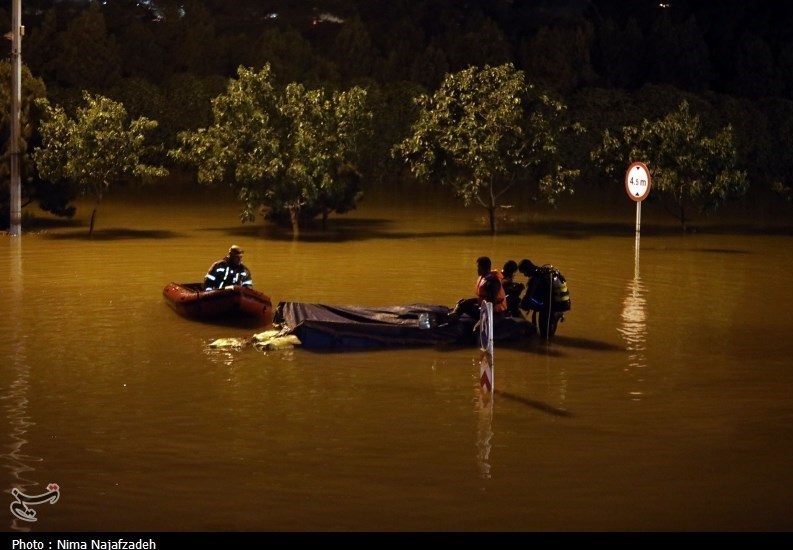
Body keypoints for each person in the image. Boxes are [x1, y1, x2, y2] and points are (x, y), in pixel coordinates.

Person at [518, 258, 571, 338]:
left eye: (524, 273)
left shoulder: (535, 278)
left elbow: (527, 299)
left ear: (527, 269)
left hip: (550, 306)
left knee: (545, 336)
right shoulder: (544, 273)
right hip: (559, 303)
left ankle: (555, 316)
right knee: (546, 334)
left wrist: (520, 304)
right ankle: (556, 316)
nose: (525, 275)